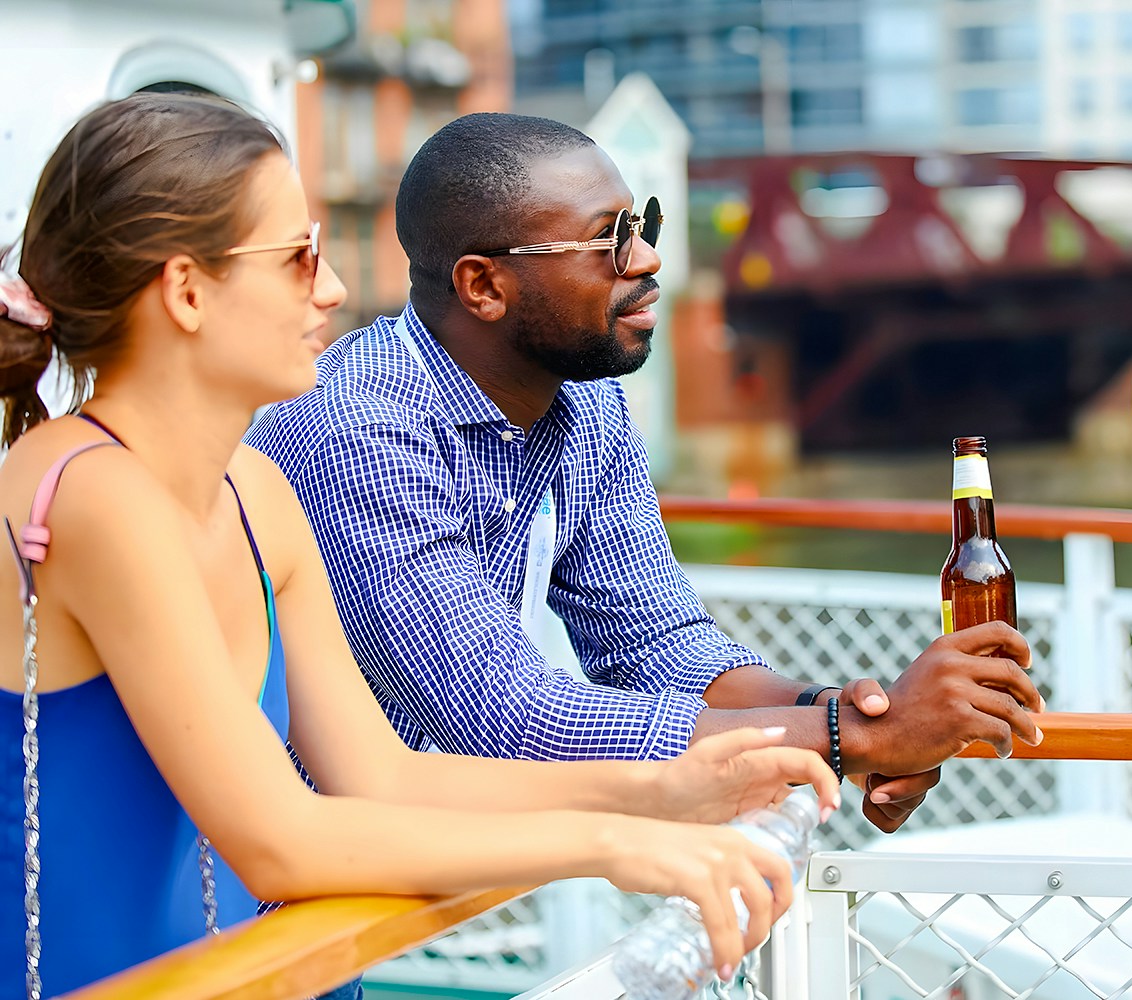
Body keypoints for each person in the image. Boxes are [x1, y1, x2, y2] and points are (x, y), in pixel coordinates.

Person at [0, 92, 838, 997]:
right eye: (297, 258)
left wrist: (662, 793)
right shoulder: (88, 494)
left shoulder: (258, 493)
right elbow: (281, 841)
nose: (332, 288)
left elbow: (381, 775)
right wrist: (613, 841)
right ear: (187, 291)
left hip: (266, 974)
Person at [246, 112, 1046, 835]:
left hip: (354, 859)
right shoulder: (358, 428)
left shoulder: (584, 403)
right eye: (608, 238)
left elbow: (661, 647)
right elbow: (507, 721)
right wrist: (860, 736)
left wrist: (848, 713)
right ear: (484, 286)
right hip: (232, 881)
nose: (649, 257)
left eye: (644, 223)